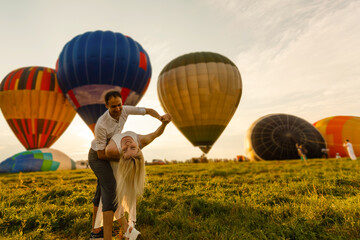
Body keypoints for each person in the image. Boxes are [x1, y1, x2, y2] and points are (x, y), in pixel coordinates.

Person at [89, 90, 165, 239]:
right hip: (99, 157)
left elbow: (147, 111)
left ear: (121, 103)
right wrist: (126, 157)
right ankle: (117, 232)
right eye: (113, 107)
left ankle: (96, 231)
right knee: (111, 189)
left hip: (116, 153)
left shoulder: (125, 110)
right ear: (106, 106)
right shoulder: (101, 125)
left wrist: (160, 118)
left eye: (119, 105)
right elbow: (100, 154)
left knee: (102, 191)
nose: (117, 109)